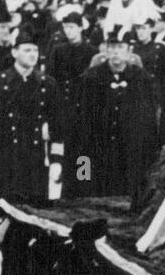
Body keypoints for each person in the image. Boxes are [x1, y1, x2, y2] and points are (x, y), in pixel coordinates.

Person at [0, 25, 66, 245]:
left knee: (35, 223)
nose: (32, 55)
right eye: (26, 50)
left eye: (35, 51)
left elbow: (57, 127)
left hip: (34, 159)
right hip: (5, 157)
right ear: (14, 52)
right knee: (2, 224)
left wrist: (56, 161)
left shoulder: (47, 84)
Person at [67, 28, 158, 206]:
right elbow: (80, 122)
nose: (116, 52)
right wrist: (81, 170)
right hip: (99, 152)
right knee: (95, 198)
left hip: (129, 154)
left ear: (129, 51)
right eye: (112, 47)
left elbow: (148, 120)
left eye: (120, 47)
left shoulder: (141, 78)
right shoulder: (90, 78)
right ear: (106, 50)